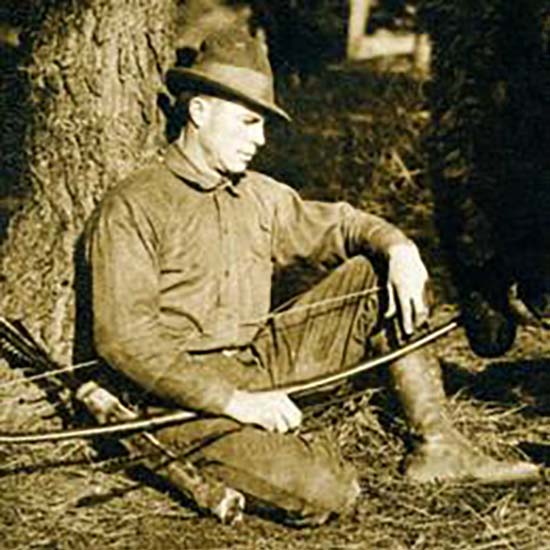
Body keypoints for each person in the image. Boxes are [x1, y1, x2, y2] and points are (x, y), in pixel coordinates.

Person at [85, 25, 540, 526]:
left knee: (376, 272)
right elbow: (125, 339)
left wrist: (400, 248)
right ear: (199, 111)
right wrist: (235, 402)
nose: (260, 140)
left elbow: (343, 224)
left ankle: (439, 446)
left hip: (257, 363)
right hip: (180, 403)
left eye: (262, 125)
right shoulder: (136, 205)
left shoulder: (258, 194)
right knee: (328, 491)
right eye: (249, 122)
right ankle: (287, 448)